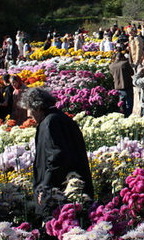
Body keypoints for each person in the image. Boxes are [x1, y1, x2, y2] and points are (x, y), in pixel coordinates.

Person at [21, 88, 94, 217]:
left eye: (29, 108)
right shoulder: (55, 119)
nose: (28, 114)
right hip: (65, 189)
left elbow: (56, 158)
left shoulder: (51, 122)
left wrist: (45, 188)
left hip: (60, 193)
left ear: (37, 107)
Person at [110, 52, 135, 116]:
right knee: (129, 104)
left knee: (121, 103)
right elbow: (132, 73)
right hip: (127, 86)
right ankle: (128, 116)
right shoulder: (125, 63)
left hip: (118, 87)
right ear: (122, 57)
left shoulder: (111, 65)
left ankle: (123, 115)